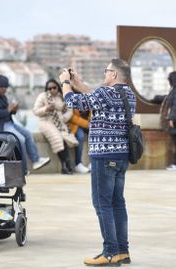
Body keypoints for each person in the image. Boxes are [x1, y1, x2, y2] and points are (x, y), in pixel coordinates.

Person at [60, 59, 135, 266]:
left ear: (113, 75)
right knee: (118, 203)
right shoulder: (128, 94)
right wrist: (78, 82)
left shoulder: (104, 94)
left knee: (102, 204)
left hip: (104, 157)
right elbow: (92, 95)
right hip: (121, 156)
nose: (105, 74)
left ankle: (110, 252)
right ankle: (122, 251)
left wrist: (66, 82)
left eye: (106, 71)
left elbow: (73, 102)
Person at [0, 74, 50, 174]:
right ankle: (23, 169)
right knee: (20, 139)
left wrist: (13, 110)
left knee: (27, 134)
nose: (5, 90)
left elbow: (7, 112)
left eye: (6, 88)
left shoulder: (2, 97)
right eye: (3, 88)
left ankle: (36, 160)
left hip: (8, 123)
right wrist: (8, 109)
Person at [33, 79, 78, 175]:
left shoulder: (62, 98)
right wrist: (46, 109)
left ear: (57, 87)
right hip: (45, 122)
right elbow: (36, 111)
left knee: (65, 138)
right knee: (57, 138)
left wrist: (64, 118)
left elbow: (70, 110)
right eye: (50, 88)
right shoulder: (43, 96)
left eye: (54, 87)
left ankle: (66, 165)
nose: (52, 90)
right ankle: (65, 165)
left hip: (60, 123)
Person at [68, 106, 91, 173]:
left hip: (89, 124)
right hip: (75, 124)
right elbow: (72, 117)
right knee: (80, 136)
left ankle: (93, 162)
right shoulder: (72, 97)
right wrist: (86, 124)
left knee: (95, 134)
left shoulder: (91, 98)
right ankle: (78, 164)